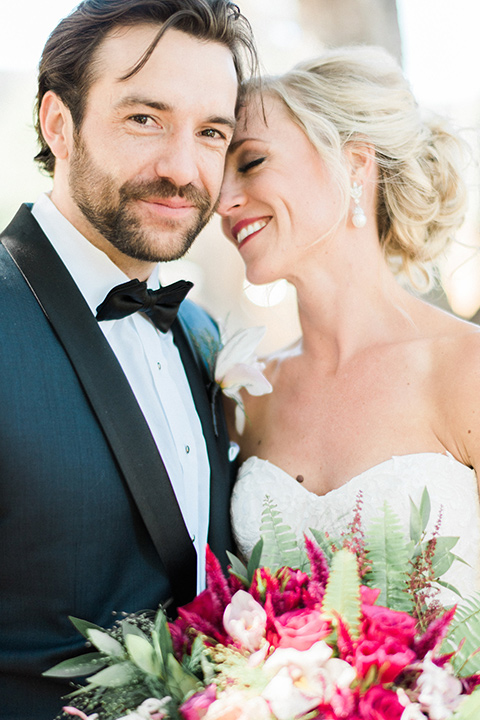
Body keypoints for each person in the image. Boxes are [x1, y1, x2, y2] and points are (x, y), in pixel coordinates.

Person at [0, 0, 256, 716]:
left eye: (211, 132)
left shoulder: (202, 333)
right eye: (145, 118)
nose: (182, 168)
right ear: (60, 125)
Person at [218, 46, 480, 605]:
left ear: (355, 164)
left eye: (251, 162)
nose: (223, 201)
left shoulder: (466, 369)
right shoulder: (247, 395)